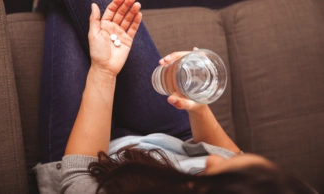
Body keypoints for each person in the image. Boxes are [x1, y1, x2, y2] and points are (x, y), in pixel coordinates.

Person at [34, 0, 317, 193]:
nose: (212, 160)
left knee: (77, 13)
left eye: (221, 175)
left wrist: (105, 71)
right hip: (173, 137)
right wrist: (198, 108)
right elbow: (229, 156)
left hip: (89, 160)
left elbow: (78, 175)